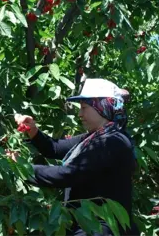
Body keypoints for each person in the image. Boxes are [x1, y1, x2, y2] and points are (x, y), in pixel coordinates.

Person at [15, 78, 139, 236]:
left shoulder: (111, 142)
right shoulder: (94, 138)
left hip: (102, 229)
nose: (80, 113)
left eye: (84, 107)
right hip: (87, 226)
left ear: (102, 107)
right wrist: (32, 130)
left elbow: (68, 174)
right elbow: (54, 148)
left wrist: (21, 168)